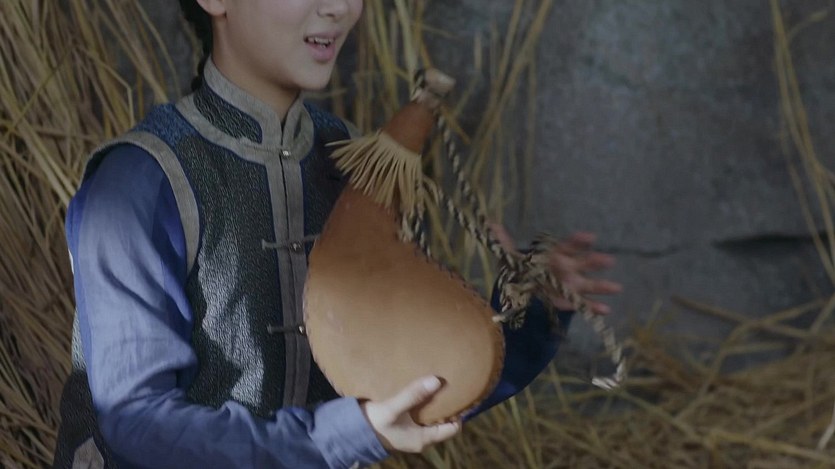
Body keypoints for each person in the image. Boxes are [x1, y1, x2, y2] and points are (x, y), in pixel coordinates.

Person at [52, 0, 622, 467]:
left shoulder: (354, 165)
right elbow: (138, 423)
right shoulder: (138, 183)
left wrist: (531, 314)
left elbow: (410, 395)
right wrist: (344, 435)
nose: (341, 8)